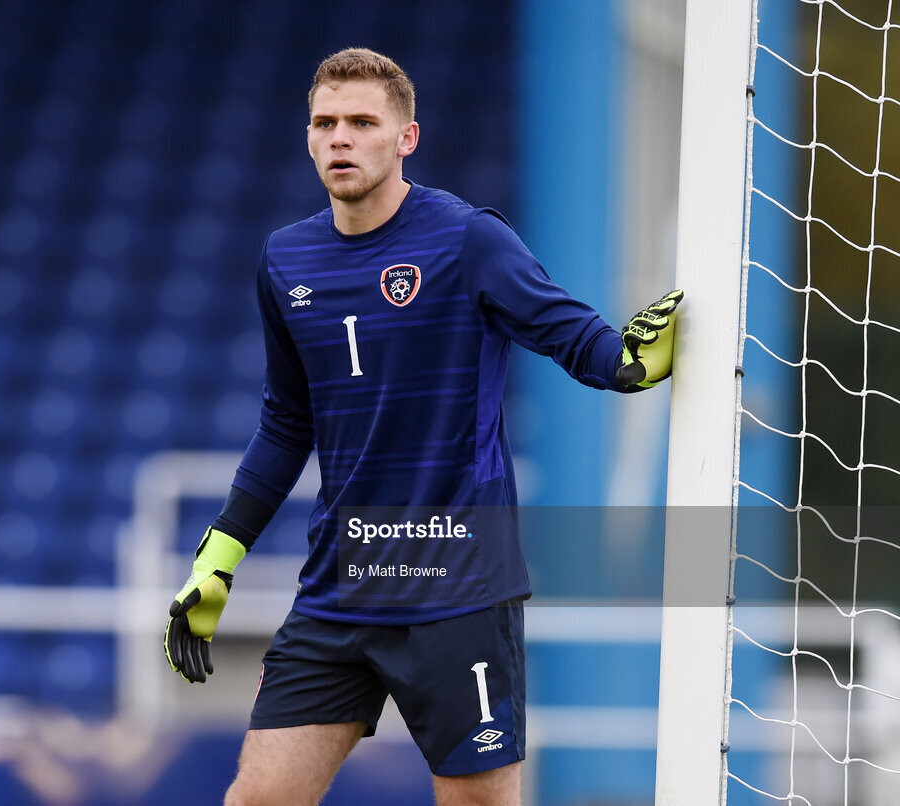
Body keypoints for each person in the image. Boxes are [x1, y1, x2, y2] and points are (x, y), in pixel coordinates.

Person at [163, 47, 681, 806]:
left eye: (362, 122)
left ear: (406, 138)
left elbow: (574, 337)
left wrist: (628, 361)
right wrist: (220, 554)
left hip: (458, 592)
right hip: (341, 587)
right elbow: (286, 422)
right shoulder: (286, 259)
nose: (340, 138)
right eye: (324, 123)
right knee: (257, 800)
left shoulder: (468, 240)